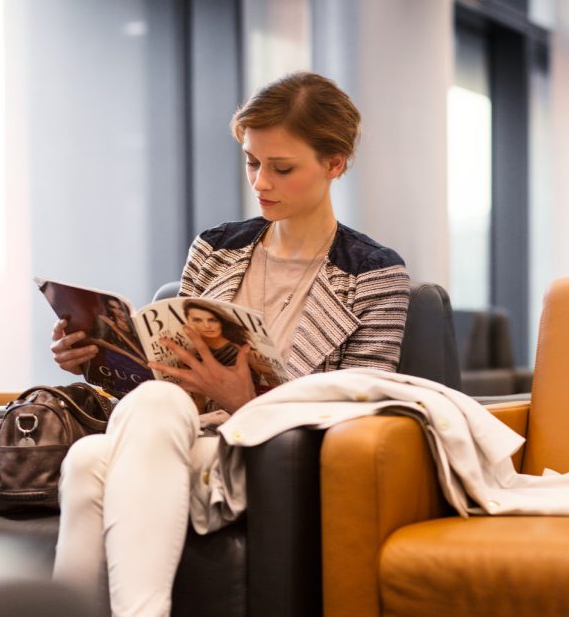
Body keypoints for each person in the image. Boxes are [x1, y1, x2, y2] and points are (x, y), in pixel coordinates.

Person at [46, 71, 411, 617]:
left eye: (281, 168)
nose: (260, 182)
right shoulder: (216, 249)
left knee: (91, 460)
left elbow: (362, 410)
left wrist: (245, 399)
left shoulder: (373, 274)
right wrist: (98, 360)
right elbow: (168, 372)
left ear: (334, 165)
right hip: (180, 433)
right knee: (123, 427)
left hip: (274, 456)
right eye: (251, 161)